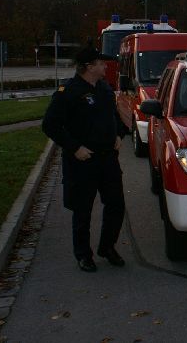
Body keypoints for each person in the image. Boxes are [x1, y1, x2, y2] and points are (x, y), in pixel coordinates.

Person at [42, 42, 128, 272]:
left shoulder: (104, 89)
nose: (106, 67)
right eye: (101, 63)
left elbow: (113, 116)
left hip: (108, 158)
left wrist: (119, 133)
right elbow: (50, 125)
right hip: (82, 160)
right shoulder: (68, 92)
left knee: (116, 204)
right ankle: (83, 254)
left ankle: (107, 247)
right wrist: (74, 147)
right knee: (83, 210)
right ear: (89, 66)